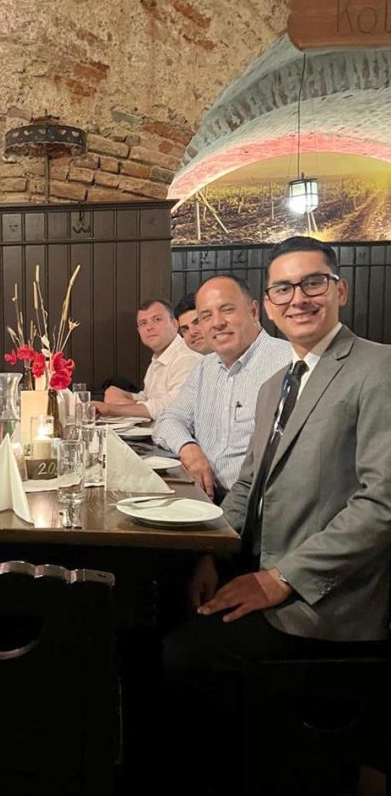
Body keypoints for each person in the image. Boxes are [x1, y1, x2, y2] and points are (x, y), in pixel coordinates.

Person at [164, 236, 391, 717]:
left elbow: (381, 505)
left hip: (326, 600)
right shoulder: (277, 384)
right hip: (261, 561)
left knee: (180, 654)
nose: (298, 299)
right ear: (268, 305)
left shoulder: (378, 368)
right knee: (161, 599)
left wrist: (282, 578)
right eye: (283, 289)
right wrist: (212, 552)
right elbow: (248, 484)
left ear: (340, 290)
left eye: (313, 283)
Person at [152, 276, 290, 500]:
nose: (217, 323)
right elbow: (168, 419)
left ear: (253, 311)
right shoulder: (205, 367)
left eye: (227, 310)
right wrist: (188, 448)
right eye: (206, 316)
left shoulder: (288, 362)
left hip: (259, 505)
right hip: (203, 496)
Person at [93, 299, 200, 420]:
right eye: (143, 323)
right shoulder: (159, 357)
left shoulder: (186, 358)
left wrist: (114, 408)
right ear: (139, 331)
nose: (149, 327)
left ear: (175, 324)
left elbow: (175, 408)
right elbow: (149, 398)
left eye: (157, 320)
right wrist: (126, 395)